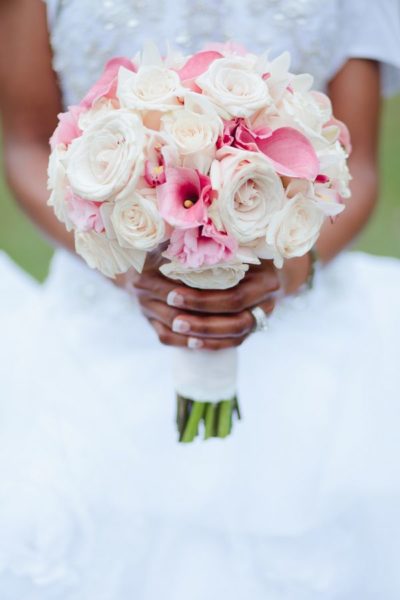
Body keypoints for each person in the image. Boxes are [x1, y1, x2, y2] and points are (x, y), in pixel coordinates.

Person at [0, 0, 400, 597]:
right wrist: (128, 268)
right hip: (102, 328)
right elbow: (27, 145)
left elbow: (358, 165)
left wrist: (283, 275)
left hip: (304, 335)